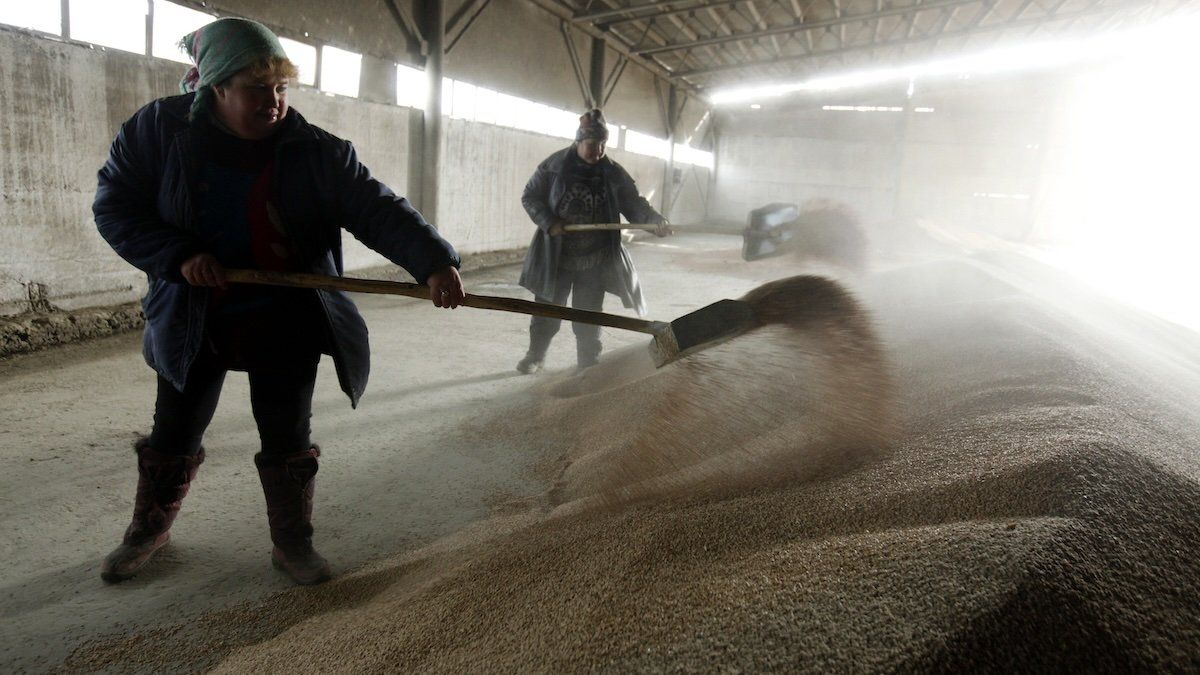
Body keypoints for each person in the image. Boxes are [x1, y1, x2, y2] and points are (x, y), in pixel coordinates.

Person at [92, 17, 465, 586]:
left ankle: (292, 543)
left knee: (287, 434)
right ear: (215, 87)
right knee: (175, 431)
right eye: (256, 89)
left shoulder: (314, 150)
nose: (273, 103)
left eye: (282, 89)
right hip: (197, 313)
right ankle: (148, 529)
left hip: (287, 313)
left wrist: (434, 262)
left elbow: (375, 207)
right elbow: (115, 206)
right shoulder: (157, 132)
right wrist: (177, 255)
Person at [516, 109, 670, 373]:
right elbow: (530, 197)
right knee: (546, 312)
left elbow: (634, 204)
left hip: (595, 259)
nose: (597, 151)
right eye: (592, 144)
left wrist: (653, 221)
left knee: (588, 314)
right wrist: (549, 222)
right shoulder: (553, 167)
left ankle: (588, 362)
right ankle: (535, 356)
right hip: (556, 257)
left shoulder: (612, 173)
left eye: (602, 145)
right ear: (578, 141)